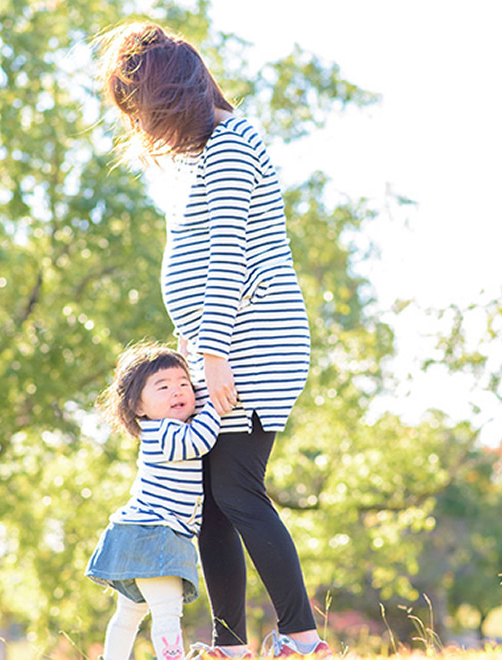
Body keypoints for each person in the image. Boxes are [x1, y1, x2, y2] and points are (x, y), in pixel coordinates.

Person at [96, 21, 330, 659]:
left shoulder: (230, 144)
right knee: (211, 500)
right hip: (224, 343)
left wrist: (215, 353)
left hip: (249, 343)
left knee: (235, 489)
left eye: (145, 110)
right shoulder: (211, 151)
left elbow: (228, 258)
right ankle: (230, 645)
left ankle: (302, 638)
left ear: (173, 96)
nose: (146, 128)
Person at [85, 342, 222, 660]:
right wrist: (215, 402)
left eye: (183, 384)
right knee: (167, 611)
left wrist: (193, 365)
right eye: (163, 387)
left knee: (130, 614)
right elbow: (198, 441)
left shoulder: (167, 425)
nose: (178, 392)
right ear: (138, 407)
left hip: (139, 531)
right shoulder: (161, 433)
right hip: (155, 533)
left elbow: (193, 408)